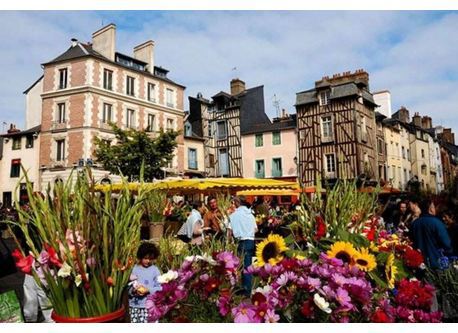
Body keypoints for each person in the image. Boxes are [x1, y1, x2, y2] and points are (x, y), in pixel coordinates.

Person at [227, 196, 257, 296]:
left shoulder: (234, 215)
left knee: (241, 265)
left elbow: (229, 231)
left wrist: (229, 242)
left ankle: (246, 289)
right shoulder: (250, 214)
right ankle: (245, 287)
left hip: (241, 241)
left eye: (233, 202)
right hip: (250, 240)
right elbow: (255, 229)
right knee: (247, 264)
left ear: (237, 202)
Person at [410, 198, 452, 269]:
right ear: (431, 209)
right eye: (433, 207)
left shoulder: (414, 223)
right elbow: (447, 243)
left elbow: (412, 241)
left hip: (420, 262)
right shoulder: (436, 222)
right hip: (437, 261)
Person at [129, 242, 162, 323]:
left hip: (149, 306)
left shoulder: (155, 270)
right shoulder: (134, 269)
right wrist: (133, 291)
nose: (148, 261)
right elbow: (129, 286)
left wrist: (148, 290)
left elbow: (160, 288)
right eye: (145, 258)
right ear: (140, 257)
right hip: (135, 306)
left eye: (150, 259)